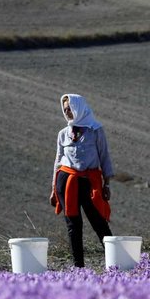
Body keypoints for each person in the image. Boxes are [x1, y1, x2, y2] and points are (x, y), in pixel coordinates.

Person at [49, 93, 114, 268]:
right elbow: (58, 161)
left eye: (70, 108)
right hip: (67, 181)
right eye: (65, 110)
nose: (68, 112)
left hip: (89, 181)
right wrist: (54, 188)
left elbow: (104, 156)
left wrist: (106, 183)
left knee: (98, 221)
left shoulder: (95, 130)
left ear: (79, 107)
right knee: (73, 224)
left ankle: (116, 262)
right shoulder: (63, 134)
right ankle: (79, 267)